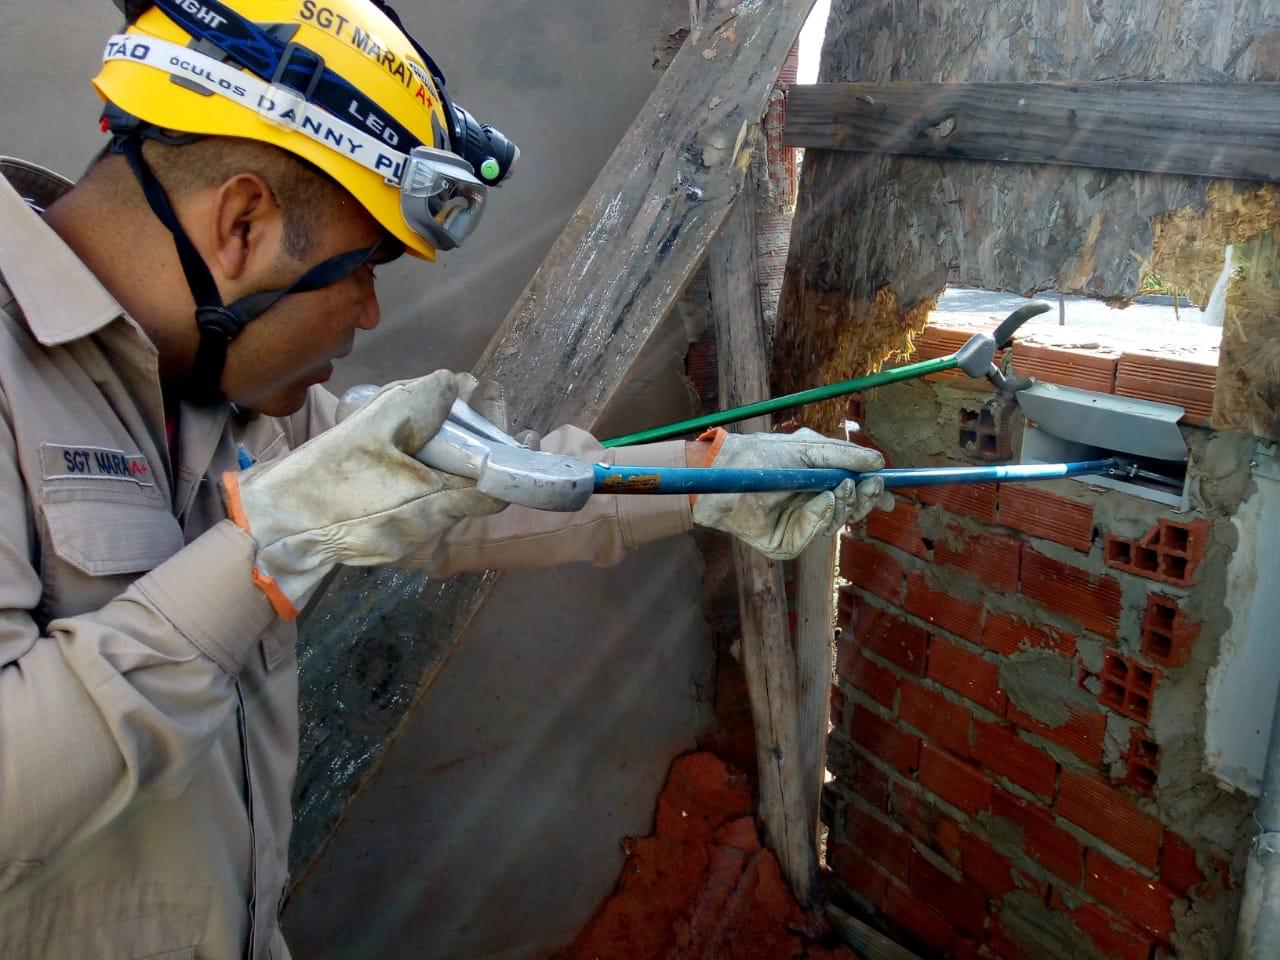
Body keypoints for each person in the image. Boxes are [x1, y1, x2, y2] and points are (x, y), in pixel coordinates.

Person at [0, 0, 888, 956]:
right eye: (363, 267)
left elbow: (467, 495)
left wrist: (710, 479)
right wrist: (265, 547)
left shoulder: (219, 392)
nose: (369, 313)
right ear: (243, 223)